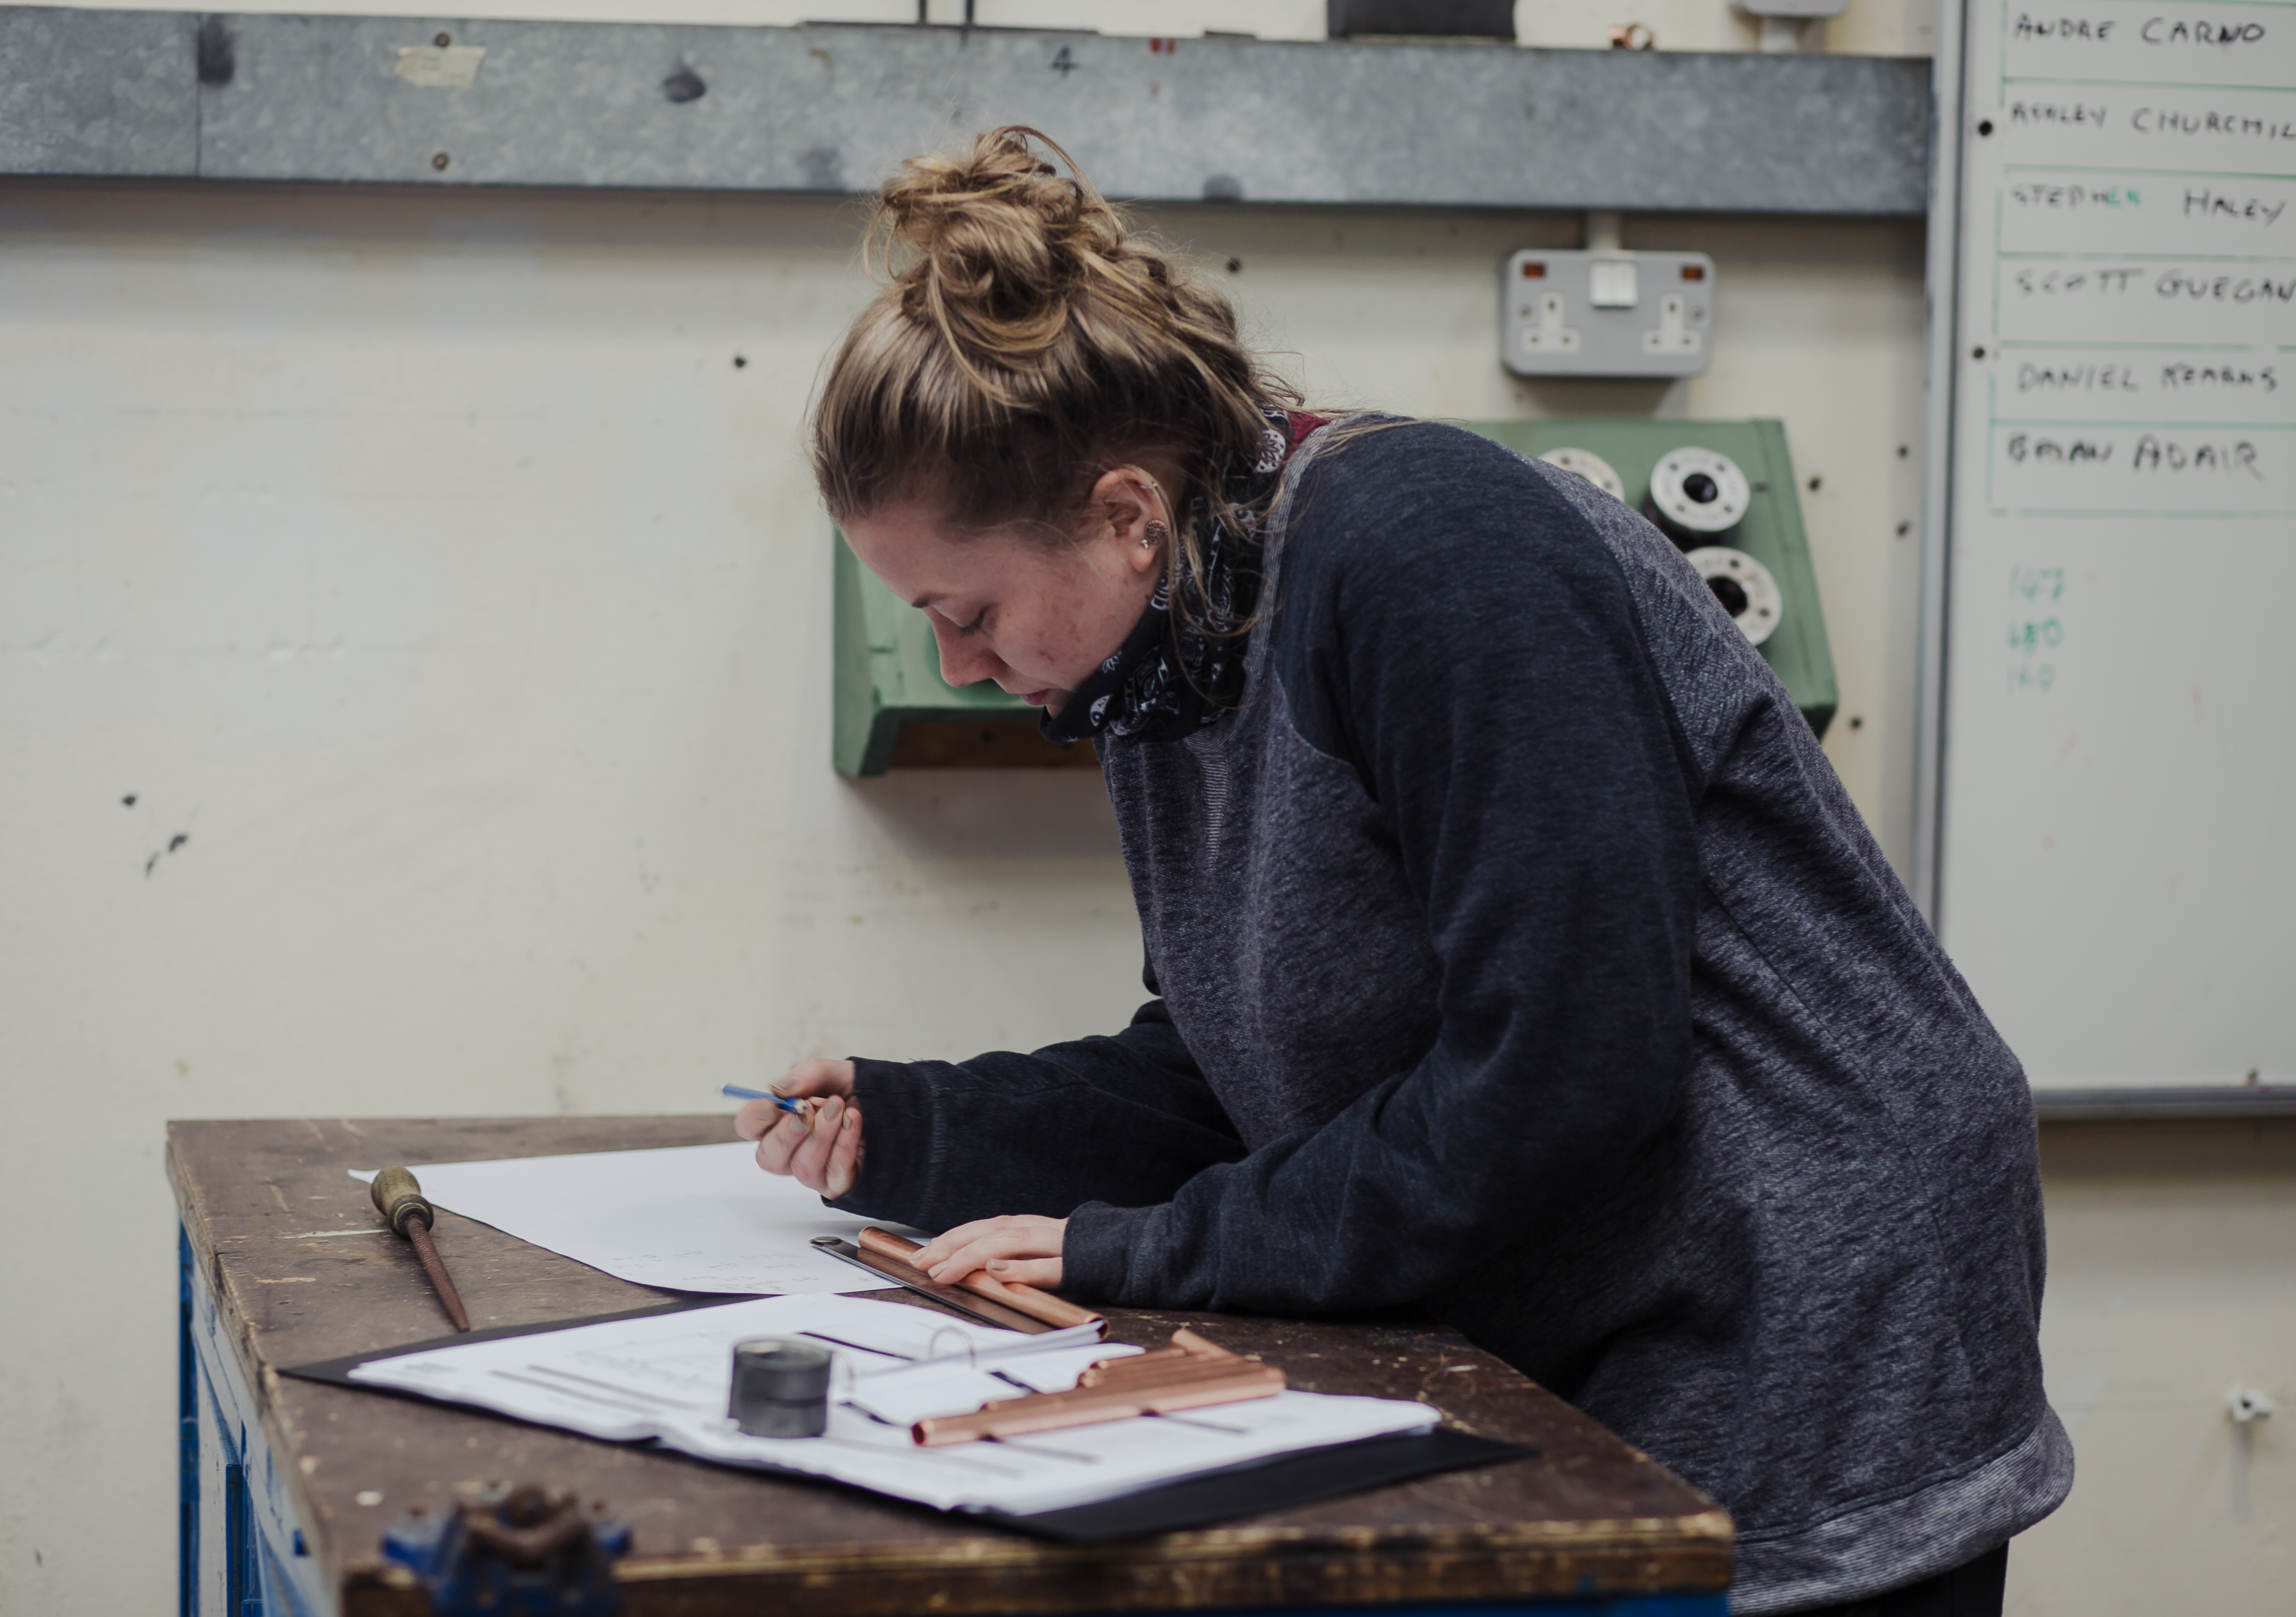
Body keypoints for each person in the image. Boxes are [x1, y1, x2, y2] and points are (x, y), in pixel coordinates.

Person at [734, 126, 2069, 1615]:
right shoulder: (1167, 656)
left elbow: (1565, 1066)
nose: (956, 665)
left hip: (1801, 1292)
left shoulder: (1429, 553)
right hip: (1594, 1275)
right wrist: (925, 1122)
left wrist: (1150, 1248)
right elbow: (1233, 1062)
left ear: (1125, 515)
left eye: (968, 609)